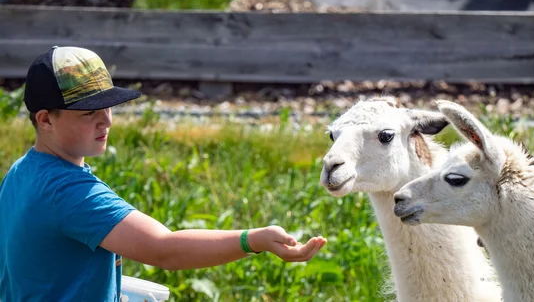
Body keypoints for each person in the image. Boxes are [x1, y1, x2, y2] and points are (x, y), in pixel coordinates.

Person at [0, 46, 327, 301]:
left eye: (108, 106)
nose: (107, 121)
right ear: (45, 119)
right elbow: (164, 249)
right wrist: (253, 239)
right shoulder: (70, 192)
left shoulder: (21, 172)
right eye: (89, 113)